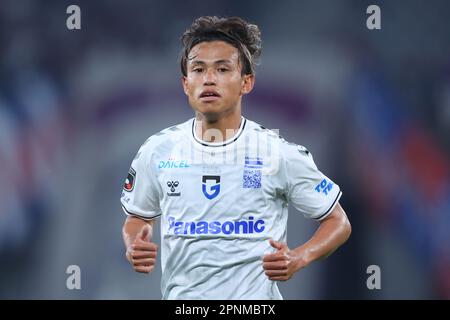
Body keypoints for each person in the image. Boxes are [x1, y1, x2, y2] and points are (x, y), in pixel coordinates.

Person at [121, 16, 351, 300]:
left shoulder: (277, 152)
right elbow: (137, 217)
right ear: (185, 83)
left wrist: (299, 257)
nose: (208, 79)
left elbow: (338, 221)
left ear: (246, 82)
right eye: (198, 69)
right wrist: (134, 243)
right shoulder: (158, 150)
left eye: (222, 69)